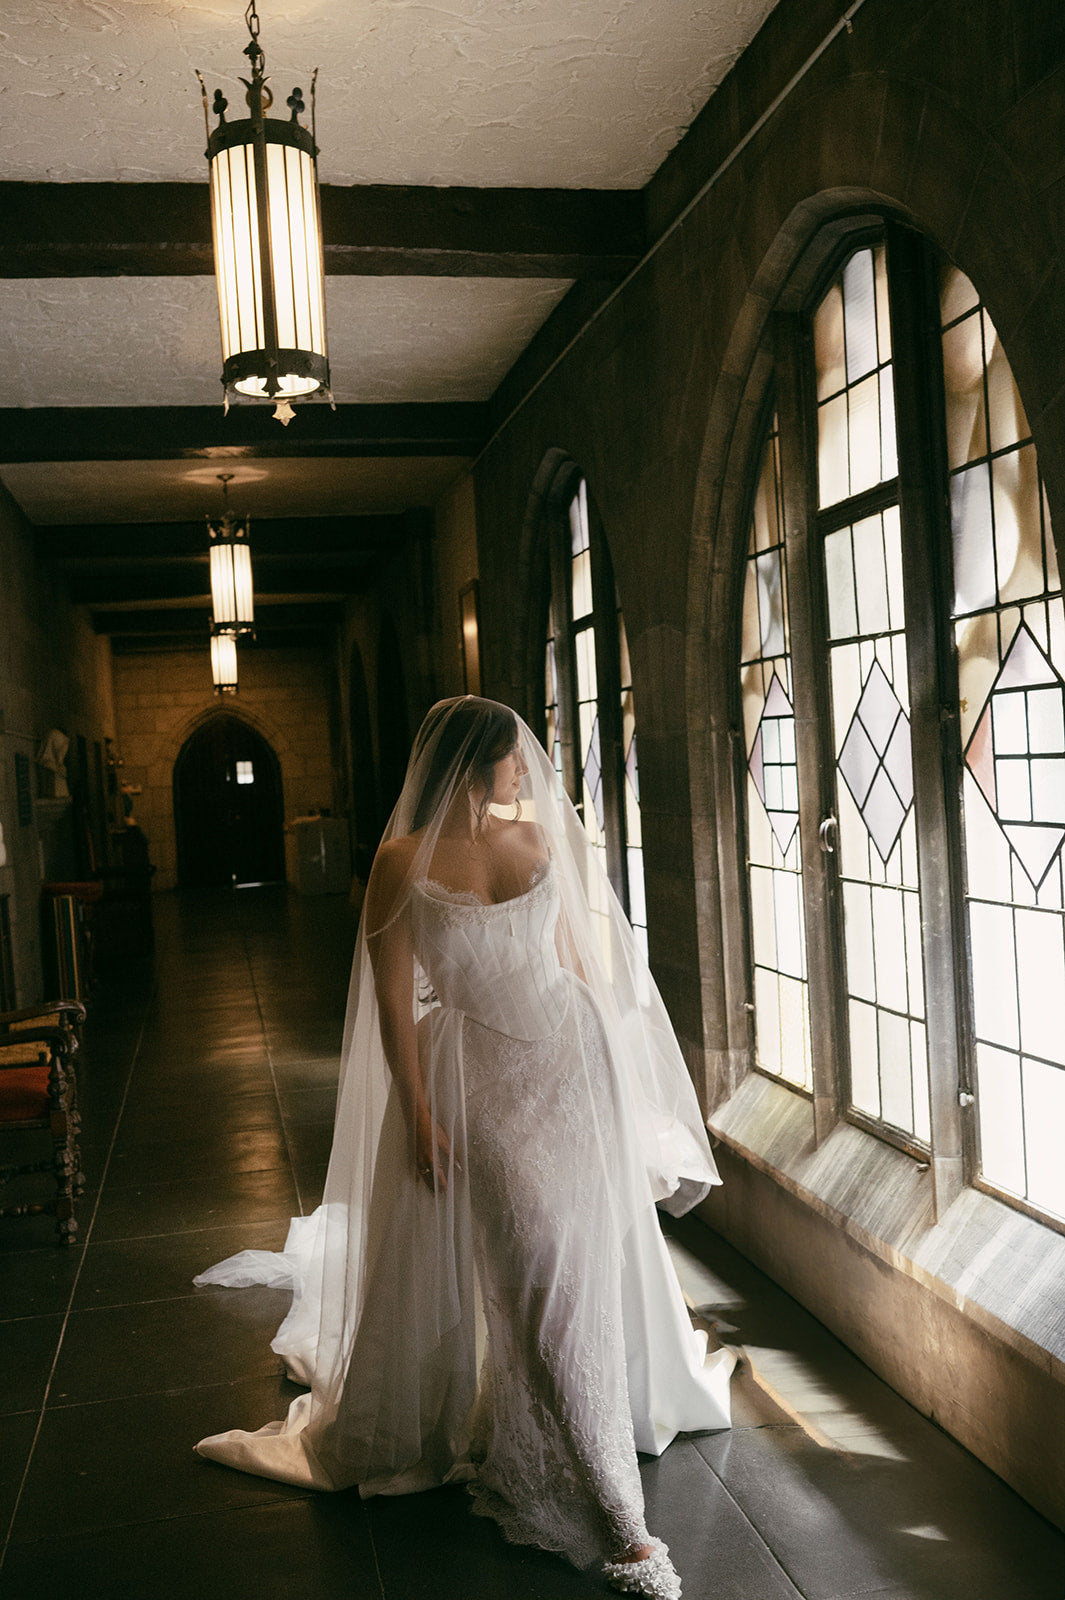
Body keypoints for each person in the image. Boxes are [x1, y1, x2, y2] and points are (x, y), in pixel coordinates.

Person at [194, 696, 734, 1599]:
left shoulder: (535, 842)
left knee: (575, 1269)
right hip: (472, 1083)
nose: (527, 769)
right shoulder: (398, 865)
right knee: (535, 1274)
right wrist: (418, 1112)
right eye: (512, 759)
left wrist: (617, 1082)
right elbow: (391, 1004)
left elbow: (574, 965)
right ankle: (621, 1525)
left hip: (567, 1072)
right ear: (470, 766)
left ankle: (561, 1446)